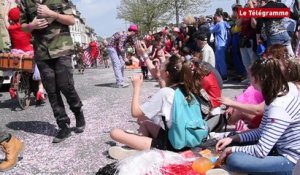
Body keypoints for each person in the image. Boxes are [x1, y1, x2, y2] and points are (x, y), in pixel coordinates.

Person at [109, 51, 201, 159]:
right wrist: (161, 78)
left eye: (162, 65)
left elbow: (135, 112)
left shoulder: (165, 93)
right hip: (188, 139)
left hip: (174, 146)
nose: (158, 67)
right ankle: (137, 147)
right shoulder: (186, 89)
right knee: (145, 123)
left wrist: (137, 87)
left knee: (114, 133)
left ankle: (140, 152)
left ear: (167, 74)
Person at [216, 59, 300, 175]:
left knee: (234, 160)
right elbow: (262, 131)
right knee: (233, 139)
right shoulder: (283, 89)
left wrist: (232, 149)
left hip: (292, 161)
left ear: (256, 79)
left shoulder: (278, 106)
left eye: (249, 77)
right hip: (279, 147)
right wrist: (234, 138)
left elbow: (261, 150)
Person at [19, 0, 85, 143]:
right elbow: (22, 26)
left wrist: (52, 14)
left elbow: (71, 20)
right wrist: (31, 26)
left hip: (62, 49)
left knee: (66, 86)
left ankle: (78, 111)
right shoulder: (25, 2)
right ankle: (63, 126)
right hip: (42, 53)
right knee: (52, 91)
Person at [4, 5, 46, 102]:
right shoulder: (26, 27)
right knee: (39, 69)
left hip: (16, 53)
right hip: (29, 53)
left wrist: (9, 3)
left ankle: (13, 87)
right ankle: (40, 89)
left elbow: (5, 16)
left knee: (18, 69)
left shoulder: (10, 28)